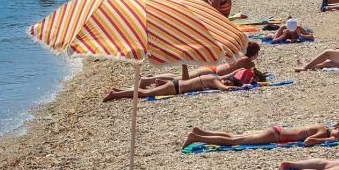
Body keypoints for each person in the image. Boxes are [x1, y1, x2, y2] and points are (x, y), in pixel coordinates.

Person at [102, 64, 242, 101]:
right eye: (230, 83)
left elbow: (229, 75)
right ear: (228, 81)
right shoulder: (215, 80)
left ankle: (119, 91)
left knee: (145, 92)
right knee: (144, 93)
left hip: (177, 84)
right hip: (176, 88)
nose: (228, 84)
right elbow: (224, 88)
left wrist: (239, 73)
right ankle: (115, 94)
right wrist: (236, 89)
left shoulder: (215, 77)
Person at [184, 122, 339, 149]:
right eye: (338, 133)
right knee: (234, 141)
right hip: (276, 136)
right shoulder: (323, 130)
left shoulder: (321, 127)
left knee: (235, 136)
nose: (336, 136)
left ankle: (201, 132)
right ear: (335, 127)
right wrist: (329, 139)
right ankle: (196, 138)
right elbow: (309, 142)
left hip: (276, 131)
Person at [188, 41, 262, 78]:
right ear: (255, 54)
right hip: (212, 73)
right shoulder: (246, 60)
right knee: (184, 79)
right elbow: (246, 77)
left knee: (183, 79)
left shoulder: (241, 57)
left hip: (212, 70)